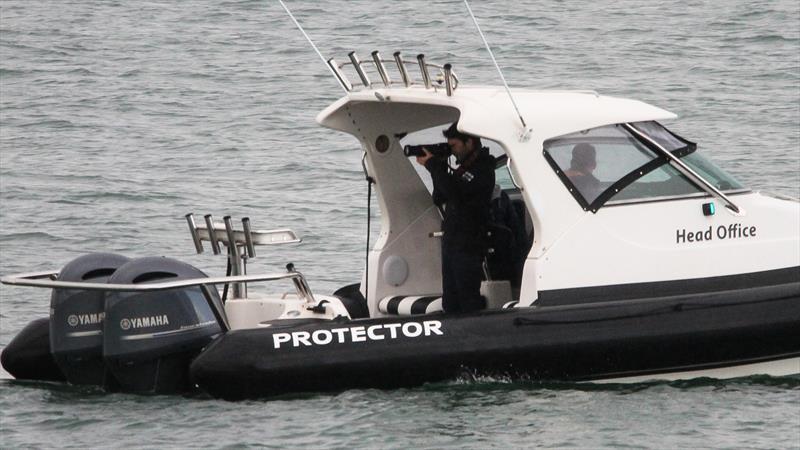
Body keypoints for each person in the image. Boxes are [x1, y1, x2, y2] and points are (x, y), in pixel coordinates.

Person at [415, 122, 495, 313]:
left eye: (454, 146)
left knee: (467, 297)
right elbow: (439, 197)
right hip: (452, 241)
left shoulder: (482, 169)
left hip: (469, 243)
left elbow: (456, 194)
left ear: (469, 142)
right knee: (450, 301)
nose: (453, 152)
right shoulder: (461, 171)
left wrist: (434, 166)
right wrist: (439, 167)